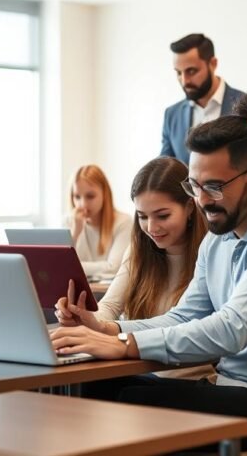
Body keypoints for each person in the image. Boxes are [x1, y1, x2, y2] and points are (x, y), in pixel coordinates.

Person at [52, 89, 247, 452]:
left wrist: (123, 344)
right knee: (91, 388)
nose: (201, 200)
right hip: (231, 389)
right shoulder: (218, 237)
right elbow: (184, 316)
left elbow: (232, 329)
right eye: (195, 186)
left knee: (131, 405)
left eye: (214, 187)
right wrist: (107, 328)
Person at [91, 156, 213, 380]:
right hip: (138, 372)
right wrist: (90, 322)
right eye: (142, 216)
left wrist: (109, 331)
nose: (151, 227)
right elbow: (109, 305)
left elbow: (190, 329)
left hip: (188, 380)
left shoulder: (211, 253)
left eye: (162, 216)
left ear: (189, 207)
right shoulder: (139, 251)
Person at [160, 33, 247, 182]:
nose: (184, 81)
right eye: (178, 73)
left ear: (213, 64)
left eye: (191, 71)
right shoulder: (172, 114)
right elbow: (165, 170)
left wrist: (230, 173)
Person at [67, 164, 133, 276]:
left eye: (90, 196)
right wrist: (75, 233)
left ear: (105, 194)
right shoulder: (69, 221)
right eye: (77, 197)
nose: (82, 204)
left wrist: (73, 266)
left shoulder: (124, 222)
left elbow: (114, 268)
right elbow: (61, 264)